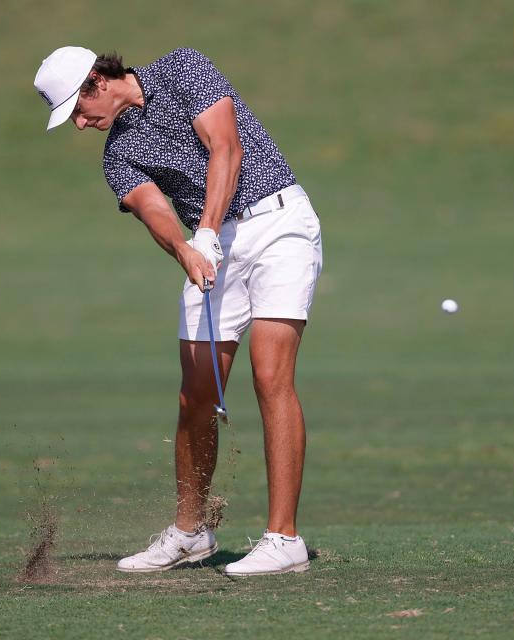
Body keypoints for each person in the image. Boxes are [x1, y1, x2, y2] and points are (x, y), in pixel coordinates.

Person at [33, 46, 323, 576]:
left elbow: (225, 148)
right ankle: (191, 533)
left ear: (98, 80)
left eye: (77, 109)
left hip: (278, 222)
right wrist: (187, 250)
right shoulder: (117, 154)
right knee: (196, 395)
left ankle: (285, 539)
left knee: (269, 375)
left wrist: (207, 231)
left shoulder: (183, 68)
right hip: (212, 251)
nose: (80, 124)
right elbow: (154, 209)